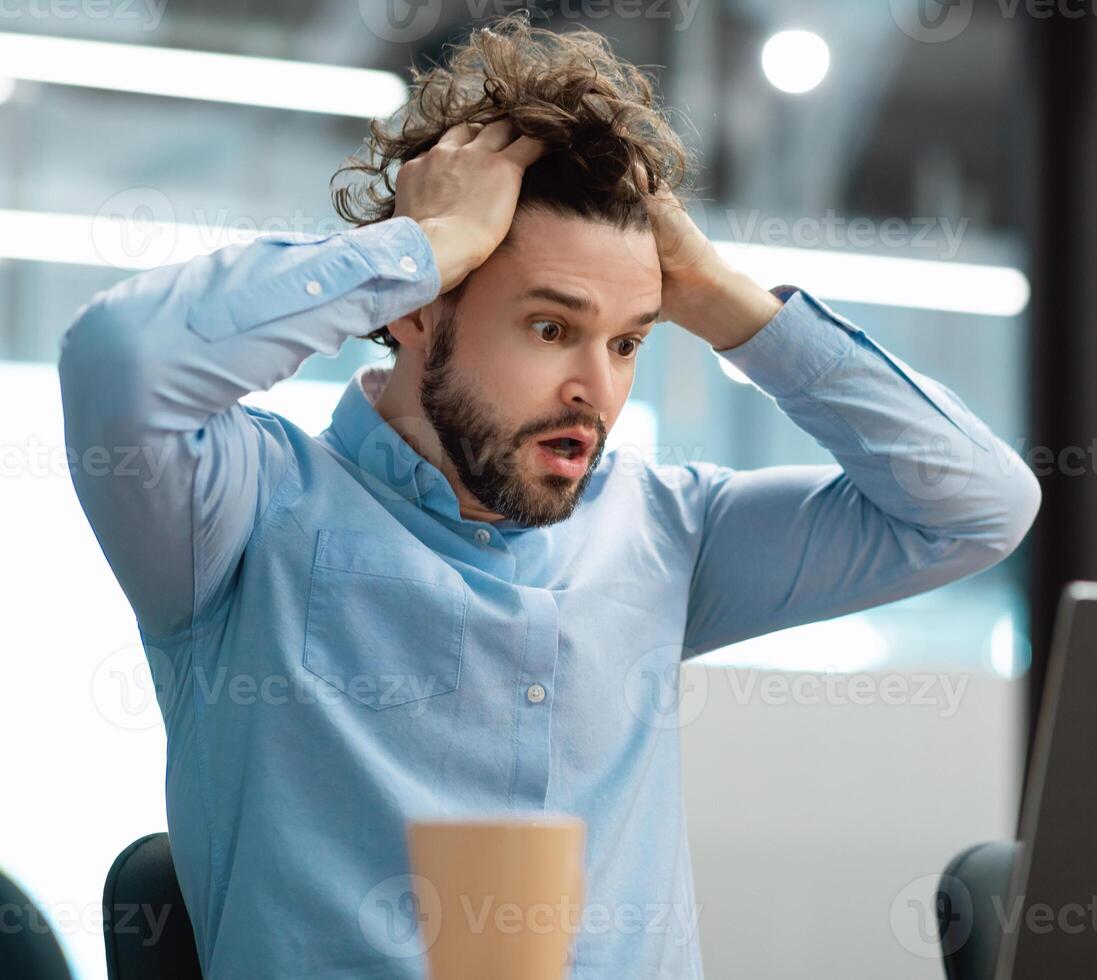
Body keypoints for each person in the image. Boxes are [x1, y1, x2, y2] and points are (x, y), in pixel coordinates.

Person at [58, 12, 1040, 979]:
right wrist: (421, 243)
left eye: (625, 341)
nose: (596, 389)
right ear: (414, 313)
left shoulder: (665, 530)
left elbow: (976, 503)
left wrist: (721, 295)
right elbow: (122, 361)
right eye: (548, 328)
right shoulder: (239, 511)